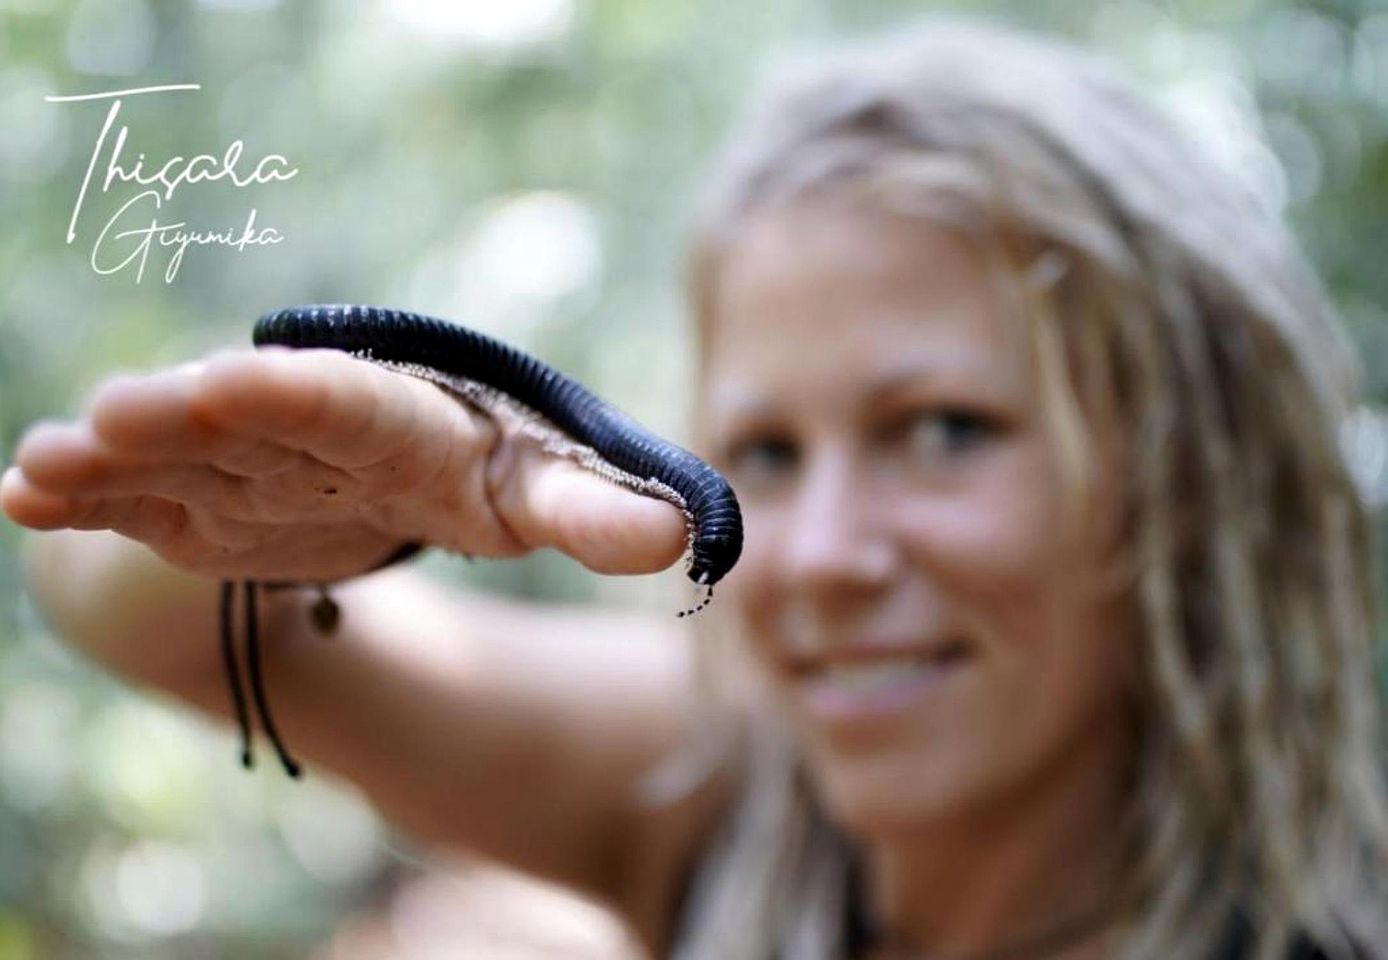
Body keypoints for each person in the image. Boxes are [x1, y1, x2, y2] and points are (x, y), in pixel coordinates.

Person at [3, 18, 1385, 960]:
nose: (822, 554)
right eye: (767, 454)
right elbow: (115, 601)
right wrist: (262, 506)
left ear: (1186, 477)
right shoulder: (732, 785)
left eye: (948, 429)